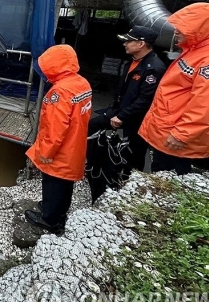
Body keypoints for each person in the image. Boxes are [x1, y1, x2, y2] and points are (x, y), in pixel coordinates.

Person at [139, 2, 209, 175]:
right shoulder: (198, 49)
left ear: (199, 28)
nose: (176, 31)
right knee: (160, 173)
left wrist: (182, 135)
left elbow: (205, 103)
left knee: (168, 179)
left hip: (177, 137)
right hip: (169, 127)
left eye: (182, 27)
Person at [86, 26, 166, 201]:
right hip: (120, 110)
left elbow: (146, 100)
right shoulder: (133, 61)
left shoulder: (154, 68)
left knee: (134, 151)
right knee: (93, 125)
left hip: (136, 118)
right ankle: (94, 165)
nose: (125, 44)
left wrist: (122, 116)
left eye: (128, 41)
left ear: (141, 43)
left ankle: (129, 186)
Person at [24, 44, 92, 235]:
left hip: (60, 150)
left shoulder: (59, 92)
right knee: (65, 184)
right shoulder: (81, 83)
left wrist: (45, 152)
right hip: (74, 145)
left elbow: (55, 128)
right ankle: (58, 212)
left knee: (53, 182)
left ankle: (50, 219)